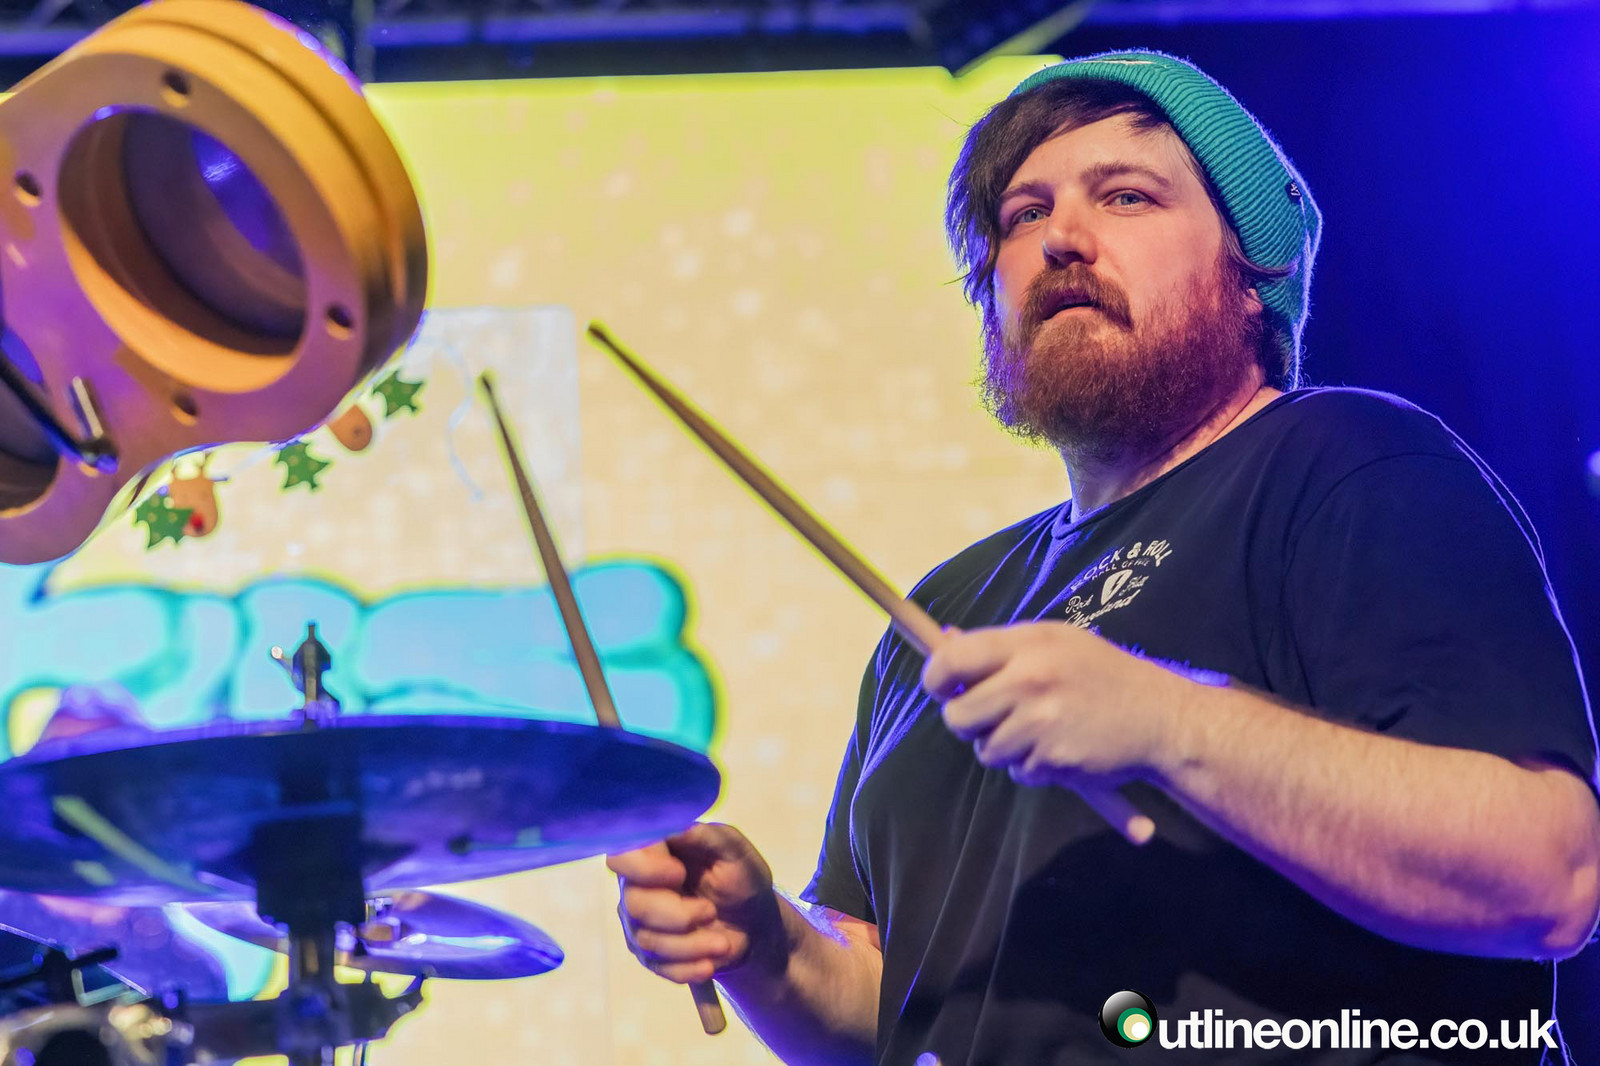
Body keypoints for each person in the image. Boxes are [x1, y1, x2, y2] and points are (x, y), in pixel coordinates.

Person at [607, 51, 1600, 1064]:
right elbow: (896, 1007)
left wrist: (1166, 720)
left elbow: (1547, 876)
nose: (1060, 239)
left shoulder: (1350, 467)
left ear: (1253, 275)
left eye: (1125, 196)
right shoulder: (947, 604)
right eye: (1023, 215)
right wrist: (767, 945)